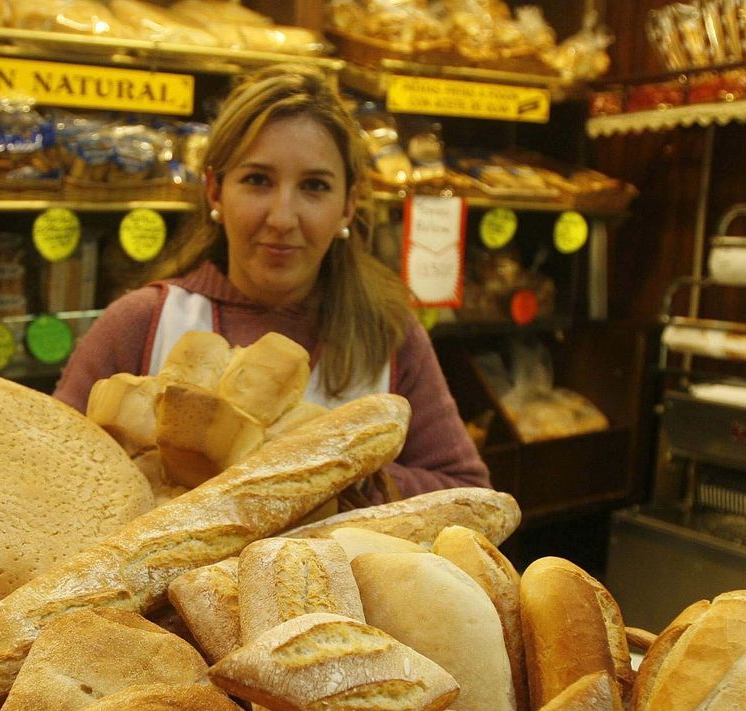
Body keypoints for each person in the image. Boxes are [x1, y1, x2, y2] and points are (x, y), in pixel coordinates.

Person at [53, 64, 489, 498]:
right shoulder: (142, 323)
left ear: (348, 206)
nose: (282, 218)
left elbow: (468, 492)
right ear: (215, 191)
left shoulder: (389, 336)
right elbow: (49, 475)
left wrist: (343, 479)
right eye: (257, 180)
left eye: (314, 186)